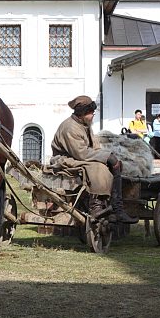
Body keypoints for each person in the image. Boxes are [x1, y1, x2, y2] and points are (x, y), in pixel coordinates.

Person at [51, 95, 138, 224]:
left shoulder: (84, 125)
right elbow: (81, 153)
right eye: (91, 113)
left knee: (115, 164)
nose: (93, 115)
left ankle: (116, 207)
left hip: (77, 157)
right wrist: (106, 157)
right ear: (83, 113)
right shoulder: (70, 128)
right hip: (65, 159)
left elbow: (94, 147)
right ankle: (96, 205)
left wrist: (108, 156)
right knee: (98, 168)